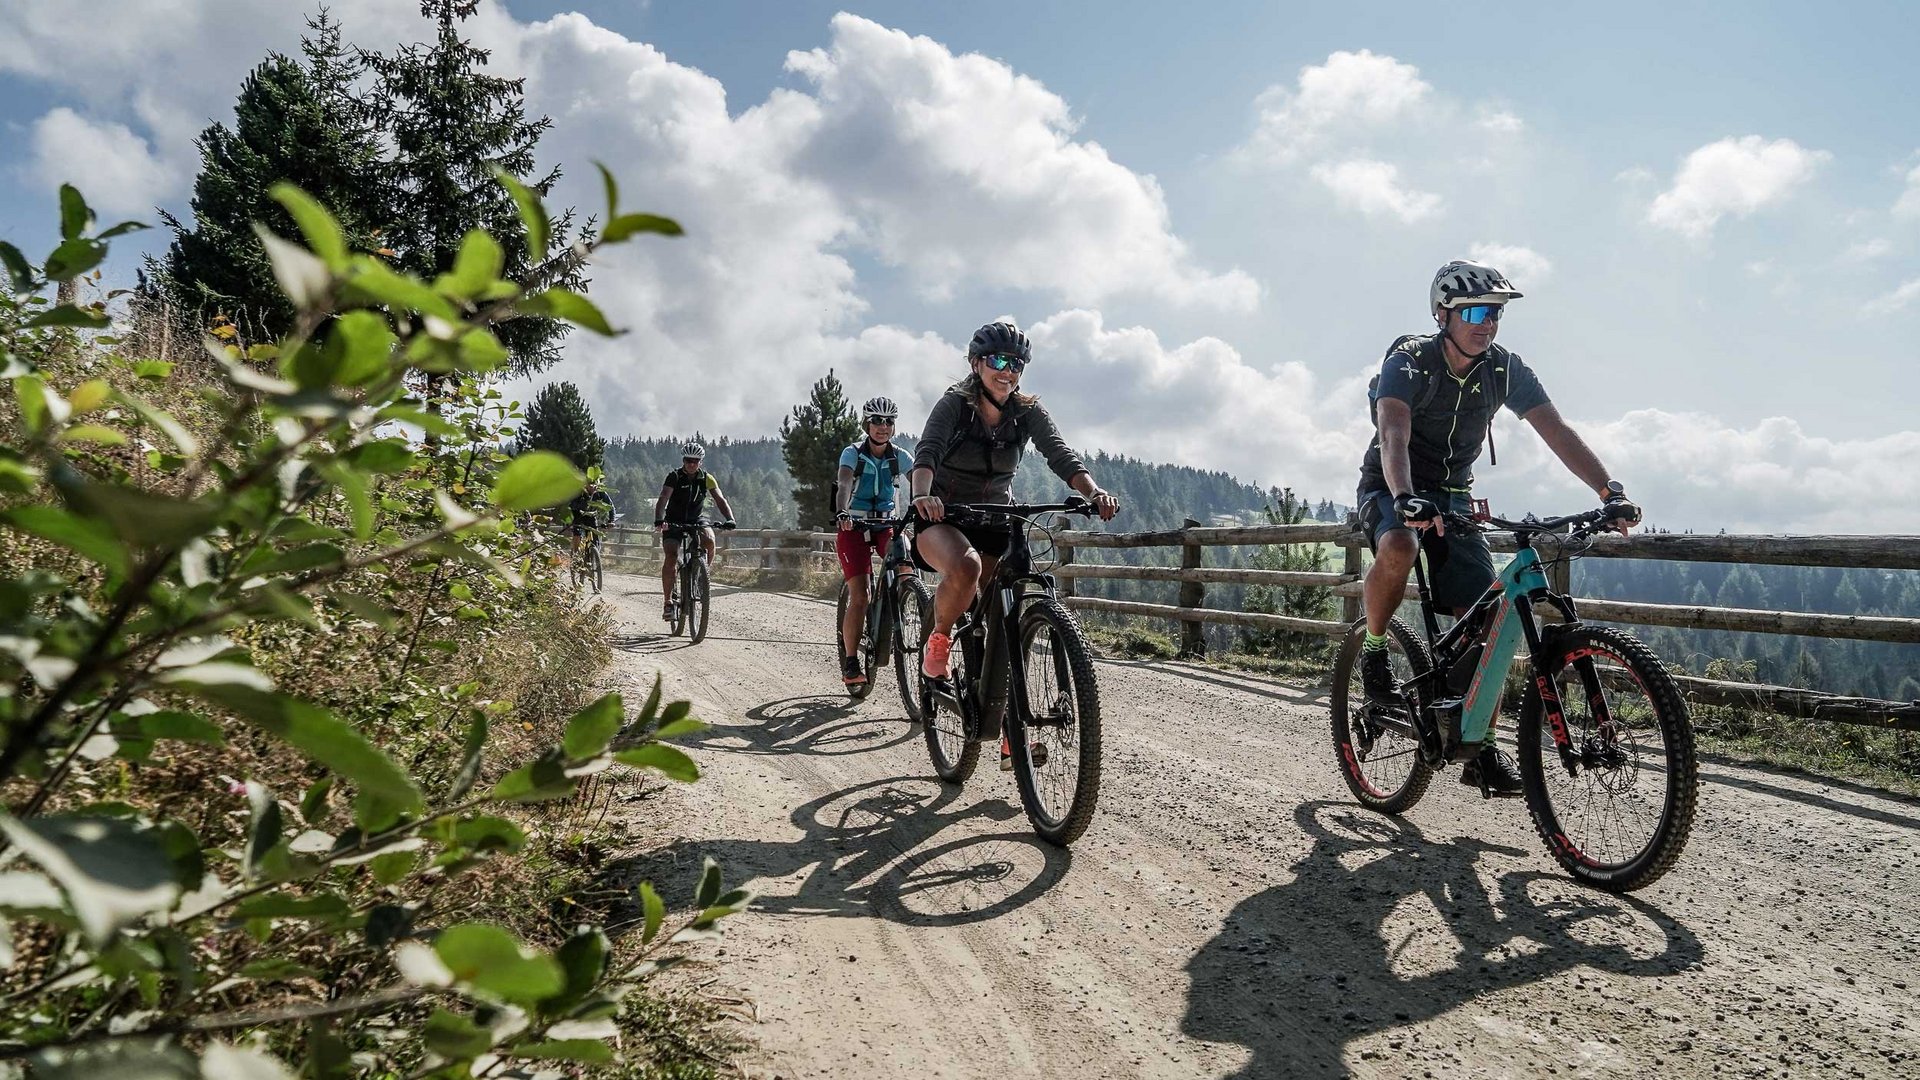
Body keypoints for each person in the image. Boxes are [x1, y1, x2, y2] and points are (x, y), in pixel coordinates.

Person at [1356, 259, 1641, 796]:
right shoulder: (1409, 363)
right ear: (1443, 315)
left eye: (1497, 314)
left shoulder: (1504, 369)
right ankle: (1373, 652)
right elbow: (1393, 434)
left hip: (1455, 496)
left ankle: (1477, 747)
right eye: (1477, 312)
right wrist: (1403, 497)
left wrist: (1609, 492)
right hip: (1392, 484)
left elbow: (1557, 431)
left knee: (1490, 619)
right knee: (1398, 541)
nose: (1488, 324)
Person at [909, 321, 1119, 770]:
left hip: (996, 516)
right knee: (965, 569)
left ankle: (1010, 725)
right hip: (942, 516)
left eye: (1016, 364)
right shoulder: (954, 406)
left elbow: (1059, 453)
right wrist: (922, 494)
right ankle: (940, 640)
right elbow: (927, 452)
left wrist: (1092, 491)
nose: (1008, 371)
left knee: (1008, 610)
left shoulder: (1026, 412)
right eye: (998, 362)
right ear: (976, 364)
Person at [835, 396, 917, 687]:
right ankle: (851, 661)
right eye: (877, 421)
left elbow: (918, 480)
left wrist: (927, 502)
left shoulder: (900, 456)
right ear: (866, 424)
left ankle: (904, 601)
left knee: (905, 558)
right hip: (853, 524)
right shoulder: (852, 453)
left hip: (886, 523)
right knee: (860, 596)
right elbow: (844, 483)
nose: (883, 427)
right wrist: (843, 511)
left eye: (889, 422)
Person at [652, 441, 736, 621]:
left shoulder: (707, 478)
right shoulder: (674, 476)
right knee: (671, 555)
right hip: (673, 520)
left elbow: (720, 499)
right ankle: (668, 602)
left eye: (695, 461)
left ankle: (701, 573)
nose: (691, 464)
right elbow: (663, 498)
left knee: (710, 540)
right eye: (688, 460)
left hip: (696, 518)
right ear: (683, 460)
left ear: (701, 462)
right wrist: (660, 519)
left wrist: (730, 518)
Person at [567, 479, 615, 562]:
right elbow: (570, 505)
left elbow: (610, 507)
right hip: (577, 514)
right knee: (577, 535)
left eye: (594, 484)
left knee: (595, 538)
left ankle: (593, 557)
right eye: (590, 484)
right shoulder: (580, 492)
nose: (592, 486)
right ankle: (575, 556)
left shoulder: (601, 493)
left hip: (591, 515)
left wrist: (611, 520)